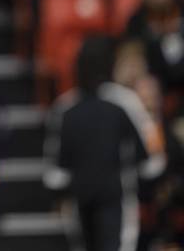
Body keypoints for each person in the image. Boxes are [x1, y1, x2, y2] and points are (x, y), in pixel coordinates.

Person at [43, 36, 166, 251]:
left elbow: (55, 175)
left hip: (82, 199)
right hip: (114, 198)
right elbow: (151, 161)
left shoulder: (65, 108)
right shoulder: (124, 102)